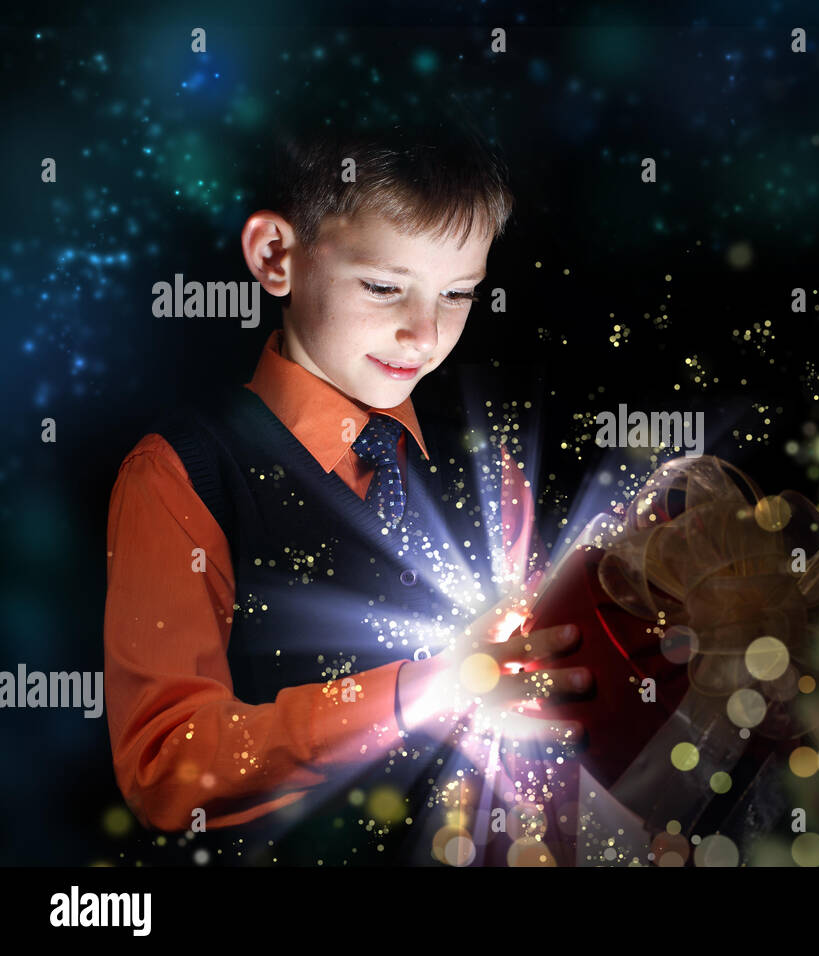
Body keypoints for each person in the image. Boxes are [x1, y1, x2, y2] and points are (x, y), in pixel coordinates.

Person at [103, 111, 590, 865]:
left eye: (458, 295)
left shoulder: (490, 471)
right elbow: (168, 767)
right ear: (275, 256)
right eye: (384, 286)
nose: (423, 334)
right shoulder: (182, 473)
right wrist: (420, 693)